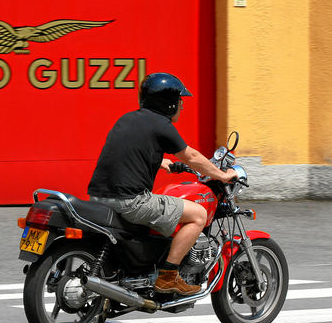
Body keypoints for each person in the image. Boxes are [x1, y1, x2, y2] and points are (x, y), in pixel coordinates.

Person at [88, 72, 236, 296]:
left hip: (99, 197)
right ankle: (169, 276)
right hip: (131, 201)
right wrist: (221, 175)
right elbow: (192, 157)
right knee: (198, 214)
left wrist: (160, 162)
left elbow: (126, 153)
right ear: (168, 103)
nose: (182, 106)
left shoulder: (128, 119)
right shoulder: (161, 125)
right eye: (179, 100)